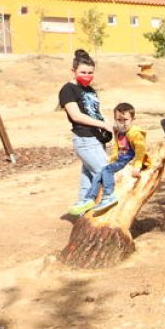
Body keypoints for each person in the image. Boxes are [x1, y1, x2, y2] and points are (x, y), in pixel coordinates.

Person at [60, 50, 114, 216]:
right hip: (85, 140)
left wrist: (110, 125)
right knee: (105, 173)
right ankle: (108, 204)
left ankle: (82, 215)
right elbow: (76, 116)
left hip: (97, 139)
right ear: (73, 71)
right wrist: (103, 125)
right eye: (83, 72)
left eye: (90, 73)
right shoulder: (68, 90)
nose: (87, 76)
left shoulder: (90, 90)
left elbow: (98, 112)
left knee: (88, 179)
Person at [86, 103, 150, 214]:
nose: (122, 123)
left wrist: (137, 166)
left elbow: (140, 151)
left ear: (133, 119)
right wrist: (112, 160)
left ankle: (108, 195)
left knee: (107, 171)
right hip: (121, 159)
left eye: (125, 120)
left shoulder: (135, 133)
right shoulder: (118, 132)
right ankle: (90, 198)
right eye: (118, 120)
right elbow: (116, 147)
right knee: (100, 172)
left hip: (130, 159)